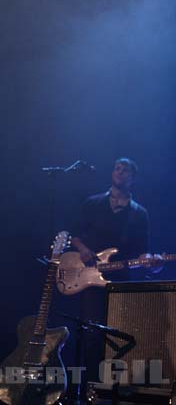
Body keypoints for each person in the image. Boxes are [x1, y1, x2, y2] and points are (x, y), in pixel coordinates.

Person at [71, 157, 160, 386]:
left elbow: (142, 252)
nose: (119, 172)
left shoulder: (139, 213)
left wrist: (152, 262)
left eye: (126, 170)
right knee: (91, 334)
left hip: (121, 281)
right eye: (117, 168)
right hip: (90, 279)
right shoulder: (93, 203)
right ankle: (86, 388)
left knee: (118, 333)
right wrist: (82, 249)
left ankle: (110, 389)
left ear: (133, 179)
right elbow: (74, 234)